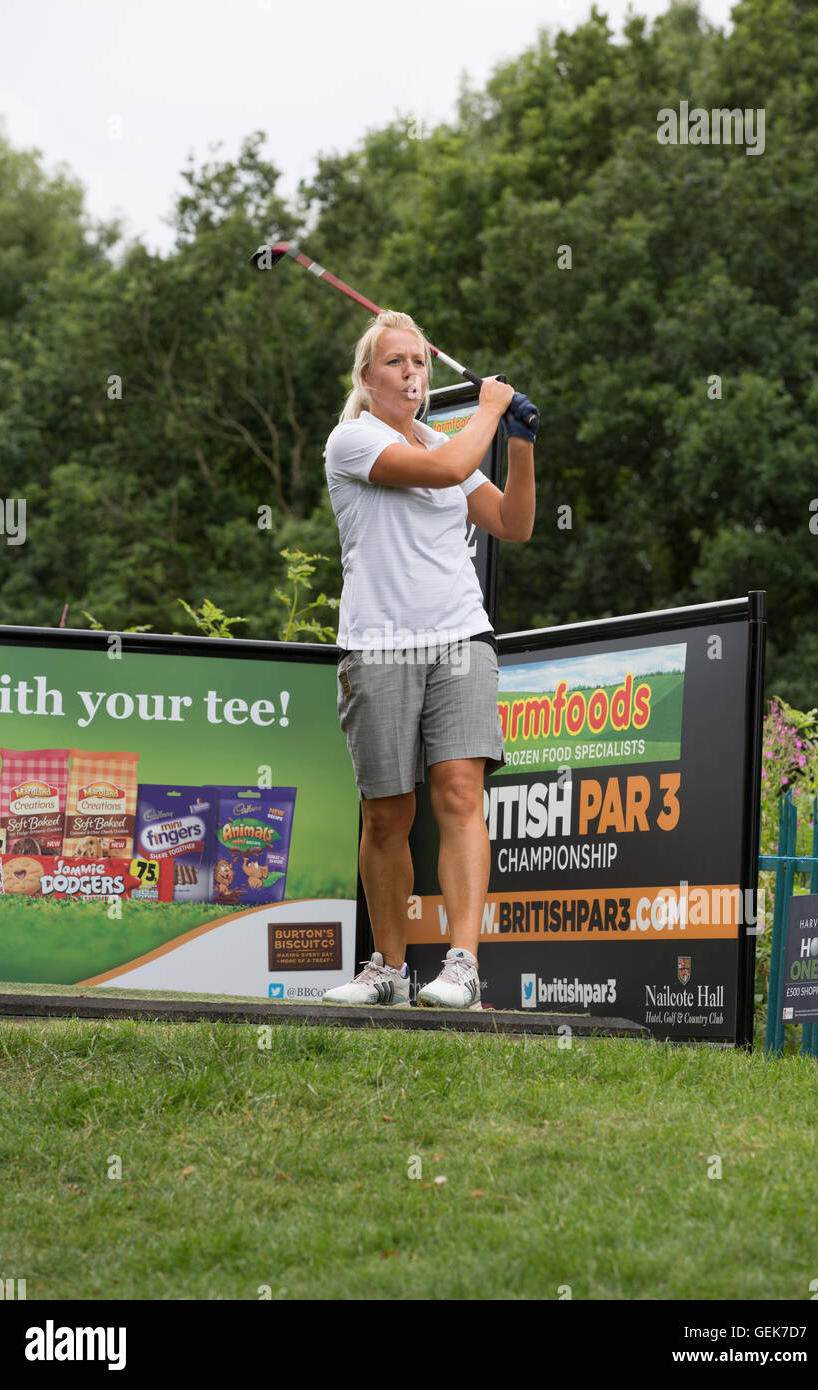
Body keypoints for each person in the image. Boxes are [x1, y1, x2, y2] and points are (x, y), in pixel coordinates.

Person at [321, 309, 537, 1009]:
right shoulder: (352, 440)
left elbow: (514, 523)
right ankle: (387, 969)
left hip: (459, 637)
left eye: (419, 362)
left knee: (458, 793)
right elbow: (447, 466)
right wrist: (491, 408)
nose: (411, 373)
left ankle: (463, 968)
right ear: (367, 377)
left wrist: (520, 441)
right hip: (377, 643)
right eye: (396, 363)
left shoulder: (451, 440)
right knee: (387, 814)